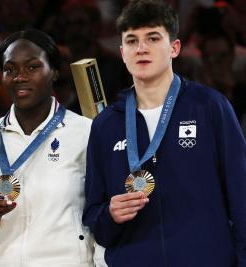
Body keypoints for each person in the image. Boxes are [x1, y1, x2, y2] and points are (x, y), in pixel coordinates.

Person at [82, 1, 246, 266]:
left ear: (175, 48)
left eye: (153, 38)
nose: (142, 48)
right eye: (132, 41)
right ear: (122, 52)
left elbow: (241, 195)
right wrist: (110, 215)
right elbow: (93, 216)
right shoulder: (105, 125)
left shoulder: (209, 106)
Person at [0, 29, 103, 266]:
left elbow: (102, 217)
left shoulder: (86, 133)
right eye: (10, 69)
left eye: (32, 67)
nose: (20, 77)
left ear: (54, 72)